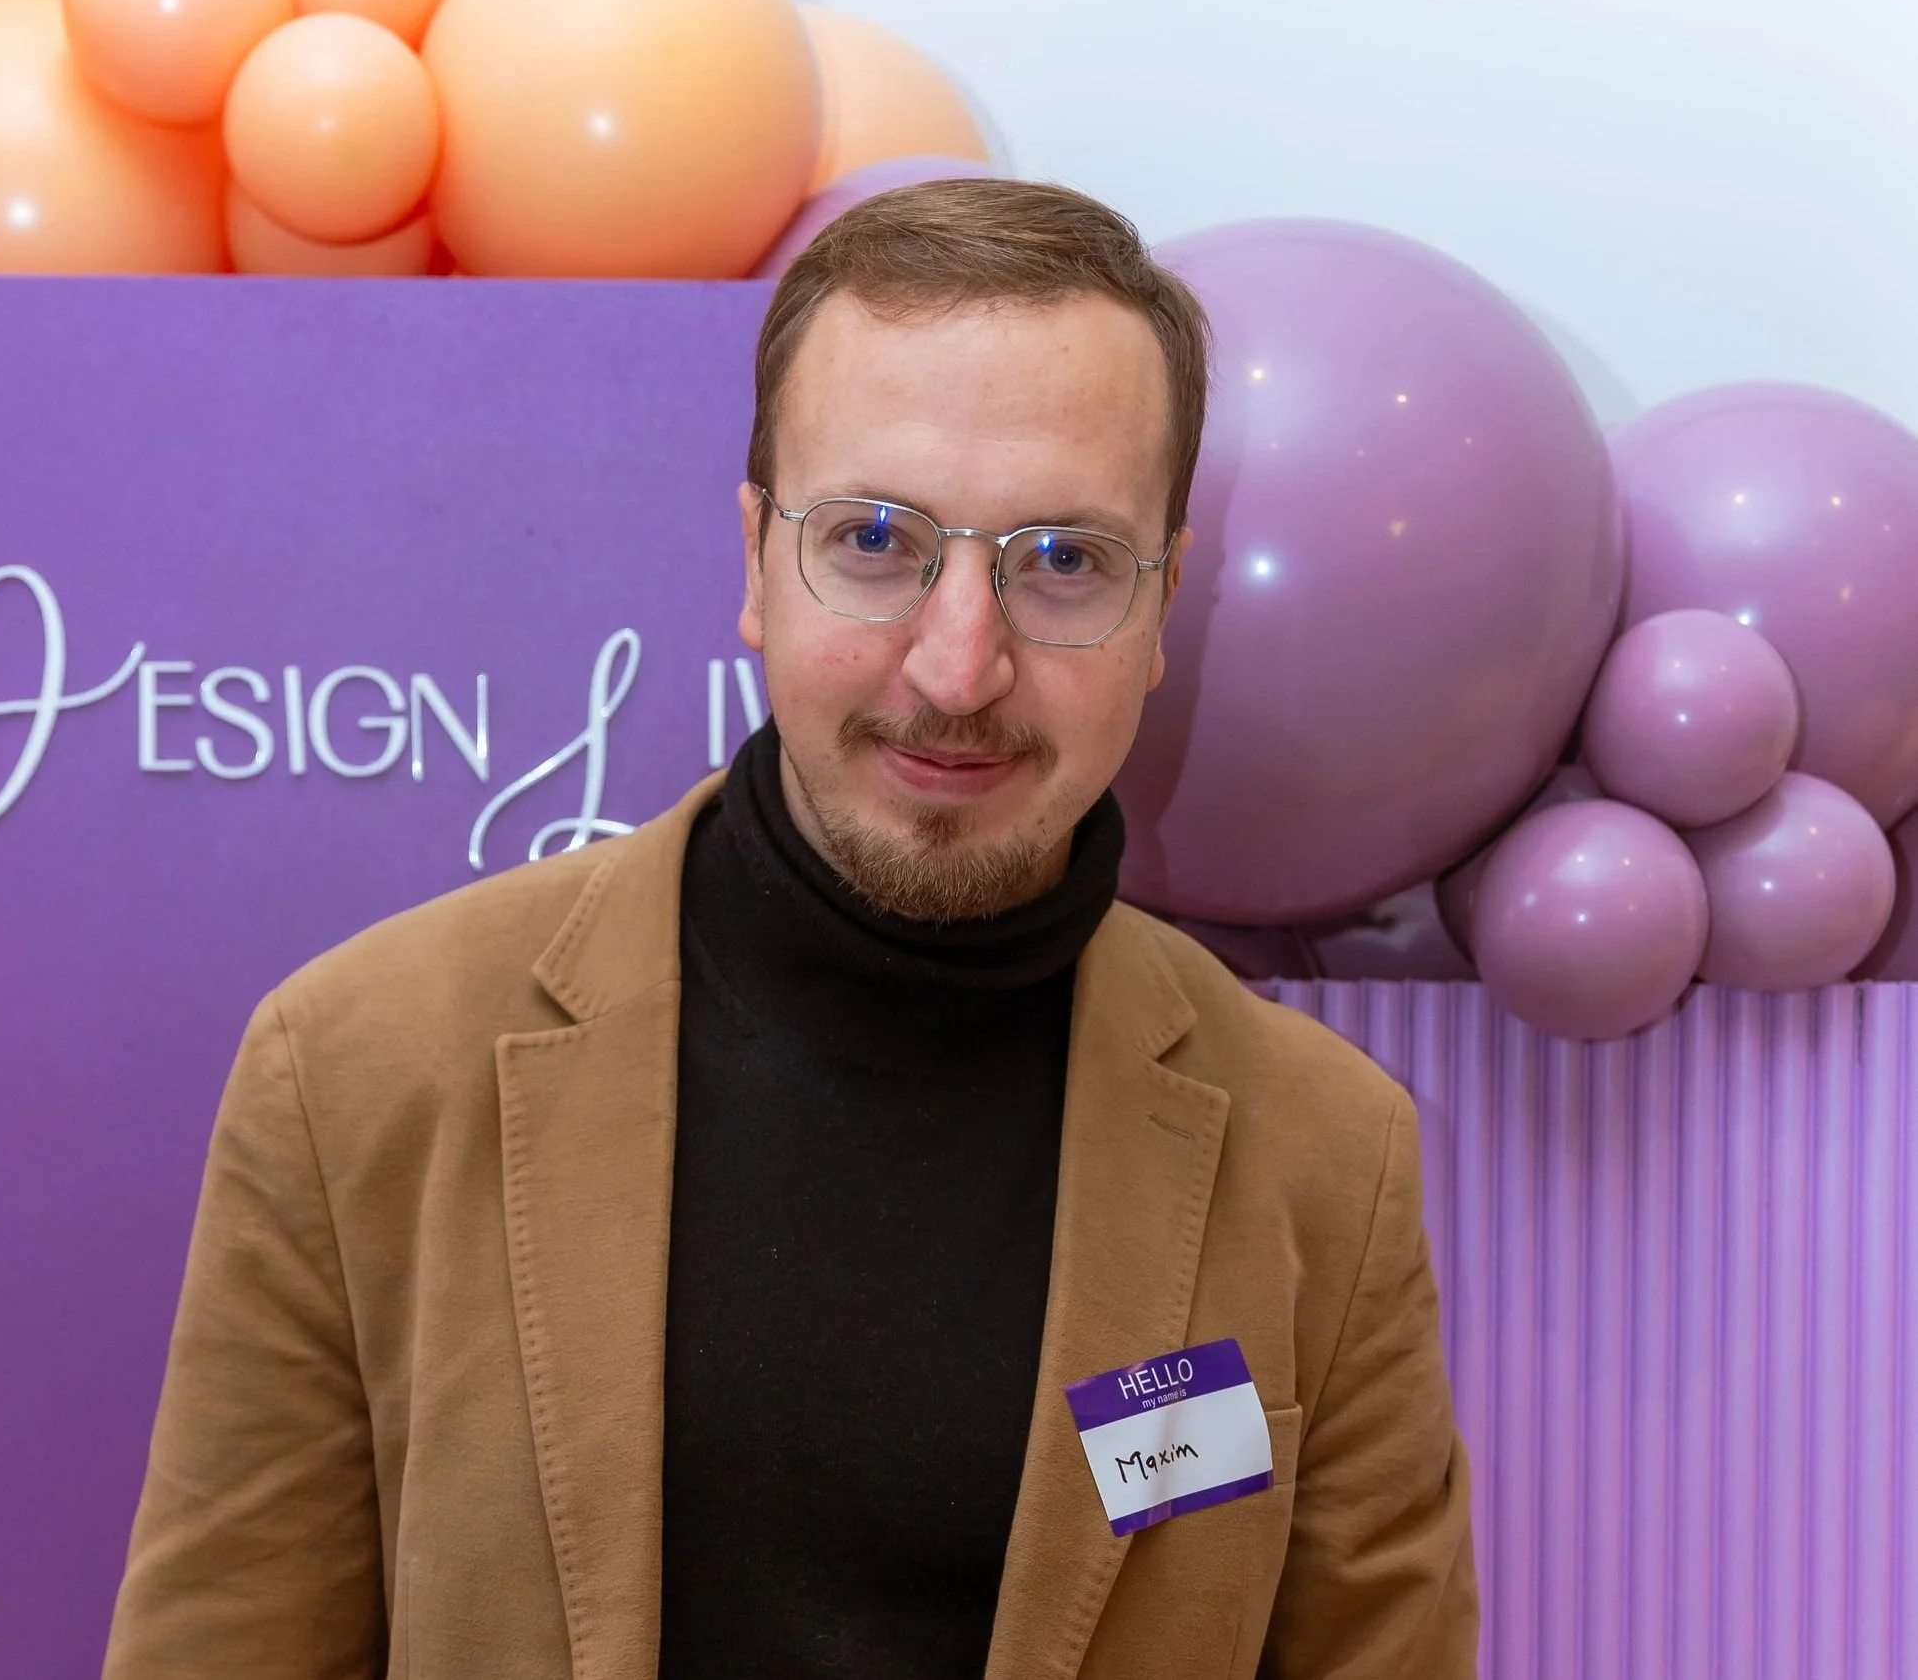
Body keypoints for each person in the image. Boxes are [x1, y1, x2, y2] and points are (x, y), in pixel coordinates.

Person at [102, 179, 1477, 1680]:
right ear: (755, 558)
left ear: (1159, 610)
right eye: (876, 540)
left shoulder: (1319, 1160)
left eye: (1062, 562)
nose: (959, 666)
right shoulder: (360, 1070)